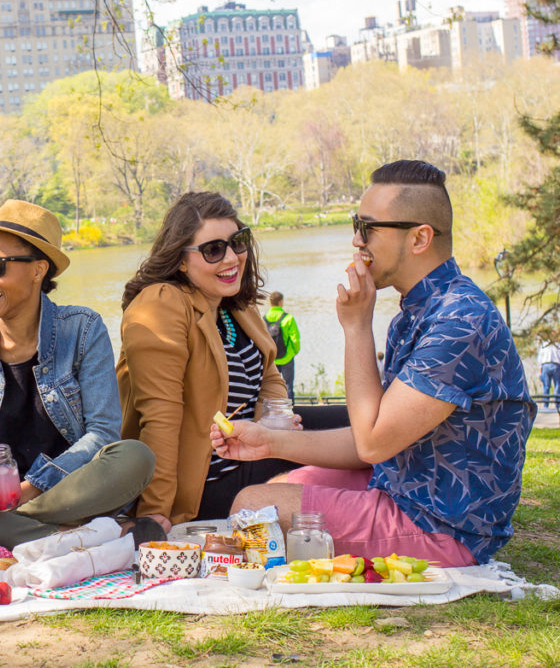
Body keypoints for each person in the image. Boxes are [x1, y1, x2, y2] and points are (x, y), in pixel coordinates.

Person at [213, 160, 535, 566]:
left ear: (419, 238)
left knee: (252, 506)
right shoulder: (420, 311)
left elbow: (371, 442)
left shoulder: (459, 321)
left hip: (442, 528)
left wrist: (356, 327)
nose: (355, 240)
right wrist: (270, 441)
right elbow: (376, 439)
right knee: (279, 484)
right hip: (401, 488)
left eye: (368, 227)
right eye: (355, 223)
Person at [0, 201, 155, 548]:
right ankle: (68, 537)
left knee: (136, 457)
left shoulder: (83, 329)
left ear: (38, 270)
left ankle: (18, 529)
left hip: (67, 488)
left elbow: (102, 433)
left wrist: (30, 488)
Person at [116, 192, 296, 531]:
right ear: (181, 260)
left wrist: (277, 421)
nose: (231, 258)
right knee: (351, 442)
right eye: (213, 250)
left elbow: (270, 375)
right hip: (203, 484)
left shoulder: (236, 305)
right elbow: (160, 417)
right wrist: (156, 515)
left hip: (249, 453)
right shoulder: (161, 304)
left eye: (237, 242)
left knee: (354, 430)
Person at [264, 291, 301, 401]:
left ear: (270, 303)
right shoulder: (288, 318)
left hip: (271, 360)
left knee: (270, 386)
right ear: (281, 302)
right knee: (288, 385)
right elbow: (295, 339)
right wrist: (294, 351)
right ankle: (290, 411)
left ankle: (271, 410)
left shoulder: (263, 319)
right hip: (287, 357)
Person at [538, 335, 560, 409]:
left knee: (546, 386)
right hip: (555, 365)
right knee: (557, 385)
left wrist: (540, 370)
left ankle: (545, 405)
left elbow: (540, 358)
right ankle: (557, 404)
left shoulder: (544, 345)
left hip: (545, 366)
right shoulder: (557, 345)